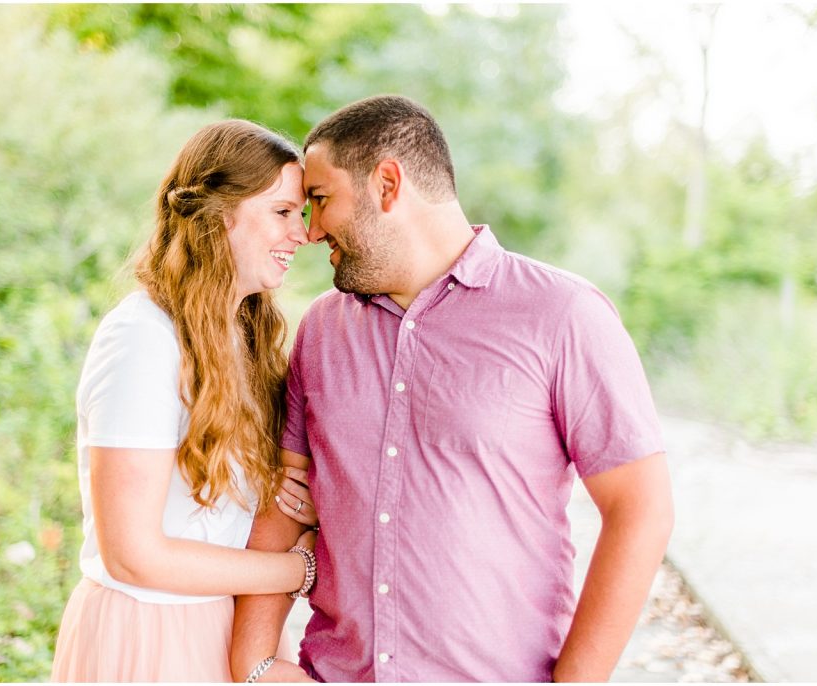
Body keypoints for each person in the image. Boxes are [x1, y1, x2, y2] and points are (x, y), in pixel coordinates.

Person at [230, 95, 674, 682]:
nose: (309, 231)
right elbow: (286, 505)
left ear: (387, 184)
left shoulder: (563, 314)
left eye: (319, 200)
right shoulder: (322, 329)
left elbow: (641, 509)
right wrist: (256, 664)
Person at [50, 119, 322, 682]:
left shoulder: (243, 338)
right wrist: (297, 571)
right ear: (221, 213)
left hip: (214, 627)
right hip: (146, 634)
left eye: (301, 213)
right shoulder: (143, 338)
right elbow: (134, 552)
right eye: (282, 212)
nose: (303, 233)